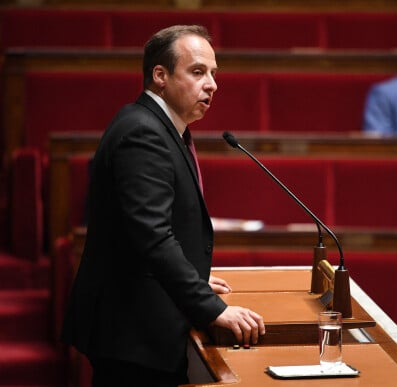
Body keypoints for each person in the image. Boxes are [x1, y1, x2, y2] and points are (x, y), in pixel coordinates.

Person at [61, 25, 265, 387]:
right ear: (160, 76)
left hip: (141, 322)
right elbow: (152, 236)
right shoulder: (143, 133)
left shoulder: (162, 127)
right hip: (131, 332)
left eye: (214, 73)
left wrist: (196, 278)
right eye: (198, 71)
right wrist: (209, 306)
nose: (212, 84)